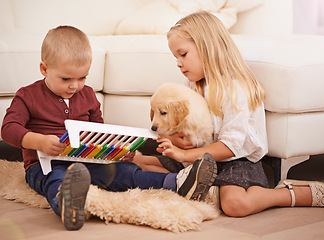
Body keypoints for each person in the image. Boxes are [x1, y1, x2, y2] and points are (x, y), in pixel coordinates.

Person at [1, 25, 217, 231]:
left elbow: (98, 130)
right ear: (44, 69)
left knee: (124, 172)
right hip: (45, 165)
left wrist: (115, 149)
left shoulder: (86, 95)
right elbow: (8, 129)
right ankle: (68, 205)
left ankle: (177, 183)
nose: (75, 86)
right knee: (55, 180)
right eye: (66, 79)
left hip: (87, 159)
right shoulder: (27, 95)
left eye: (82, 78)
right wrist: (38, 141)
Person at [131, 11, 324, 217]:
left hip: (238, 160)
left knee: (235, 204)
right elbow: (192, 131)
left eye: (183, 54)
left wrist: (186, 155)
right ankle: (205, 188)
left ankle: (289, 194)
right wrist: (178, 141)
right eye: (175, 57)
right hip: (204, 159)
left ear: (207, 48)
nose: (178, 62)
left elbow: (231, 146)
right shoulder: (194, 85)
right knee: (148, 164)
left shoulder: (235, 89)